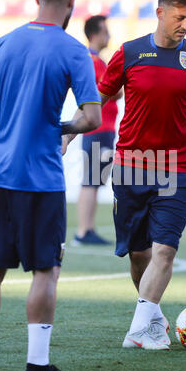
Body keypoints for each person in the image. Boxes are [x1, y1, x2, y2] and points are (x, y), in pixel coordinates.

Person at [0, 0, 101, 371]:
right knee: (46, 269)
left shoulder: (4, 43)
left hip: (1, 178)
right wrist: (62, 128)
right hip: (42, 182)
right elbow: (91, 117)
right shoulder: (73, 50)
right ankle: (37, 366)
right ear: (71, 1)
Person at [98, 0, 186, 350]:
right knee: (140, 255)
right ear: (160, 13)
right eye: (179, 17)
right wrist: (71, 132)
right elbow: (97, 99)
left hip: (177, 169)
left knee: (165, 249)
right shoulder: (129, 53)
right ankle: (152, 317)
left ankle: (138, 331)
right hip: (130, 167)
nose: (185, 24)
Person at [72, 15, 121, 246]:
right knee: (91, 181)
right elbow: (111, 91)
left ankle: (87, 229)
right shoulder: (94, 62)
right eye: (105, 31)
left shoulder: (96, 60)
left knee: (94, 180)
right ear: (95, 34)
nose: (108, 35)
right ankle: (83, 231)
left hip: (101, 130)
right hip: (98, 130)